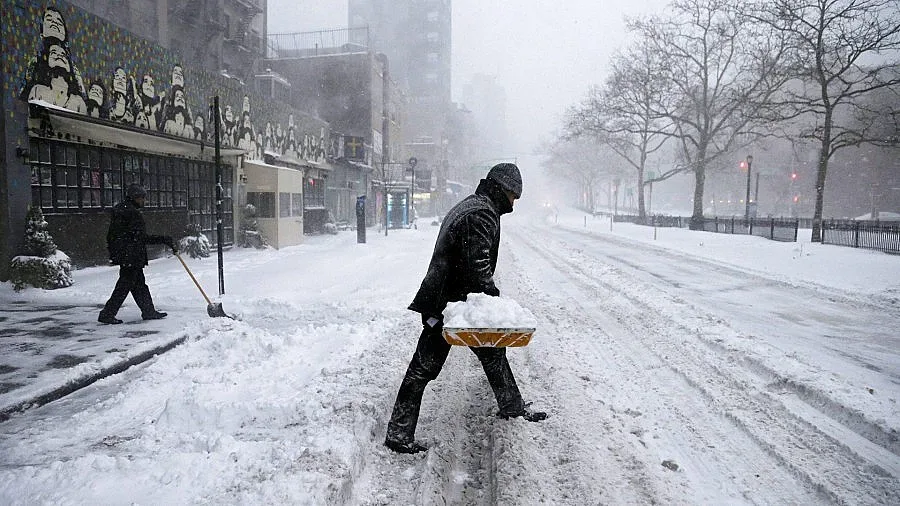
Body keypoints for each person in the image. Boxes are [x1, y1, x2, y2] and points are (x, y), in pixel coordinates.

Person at [384, 163, 547, 454]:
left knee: (493, 353)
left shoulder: (476, 205)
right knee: (423, 369)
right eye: (512, 196)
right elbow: (478, 268)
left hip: (451, 302)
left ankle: (512, 406)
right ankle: (398, 435)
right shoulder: (481, 213)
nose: (513, 203)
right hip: (447, 308)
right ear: (500, 189)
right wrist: (495, 304)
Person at [98, 183, 177, 324]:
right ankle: (107, 314)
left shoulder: (121, 211)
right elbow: (140, 237)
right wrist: (163, 239)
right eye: (142, 198)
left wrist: (116, 253)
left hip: (126, 255)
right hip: (131, 256)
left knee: (139, 285)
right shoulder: (131, 213)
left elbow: (113, 236)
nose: (144, 201)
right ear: (135, 197)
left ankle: (148, 311)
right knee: (124, 286)